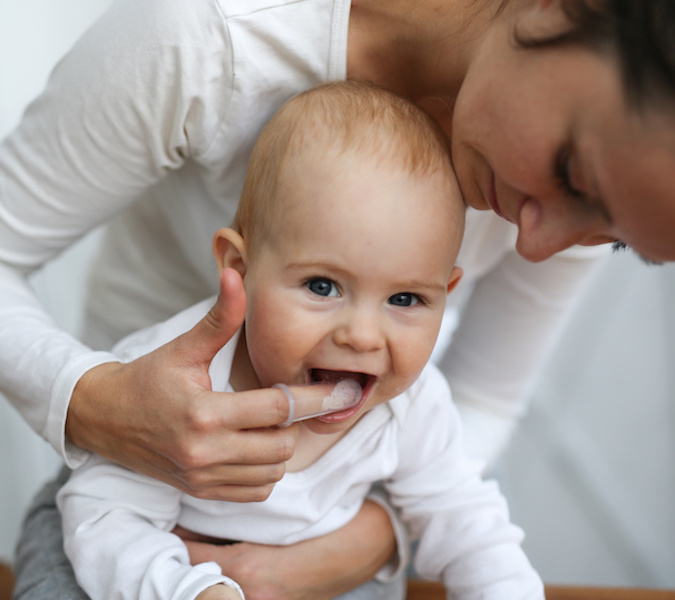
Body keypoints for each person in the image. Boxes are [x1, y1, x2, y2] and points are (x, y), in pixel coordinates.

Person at [2, 0, 674, 598]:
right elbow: (106, 518)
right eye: (571, 173)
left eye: (614, 239)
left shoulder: (409, 411)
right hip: (133, 503)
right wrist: (94, 403)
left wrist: (369, 541)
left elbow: (475, 455)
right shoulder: (207, 36)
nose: (536, 245)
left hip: (341, 531)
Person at [56, 80, 544, 600]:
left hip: (333, 573)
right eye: (322, 286)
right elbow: (105, 523)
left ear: (446, 294)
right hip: (167, 571)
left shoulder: (414, 407)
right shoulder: (173, 384)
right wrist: (194, 591)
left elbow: (468, 523)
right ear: (240, 269)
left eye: (405, 299)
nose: (362, 336)